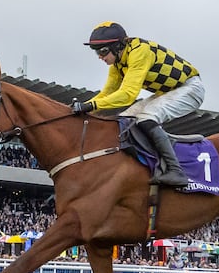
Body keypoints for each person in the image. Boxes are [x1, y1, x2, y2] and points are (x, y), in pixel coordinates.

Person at [71, 21, 205, 186]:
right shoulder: (118, 62)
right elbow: (107, 93)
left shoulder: (139, 52)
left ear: (118, 46)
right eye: (96, 52)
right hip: (168, 91)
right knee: (123, 119)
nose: (100, 56)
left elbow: (128, 95)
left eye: (103, 51)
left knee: (146, 118)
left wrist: (90, 107)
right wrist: (83, 106)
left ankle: (175, 170)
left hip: (190, 89)